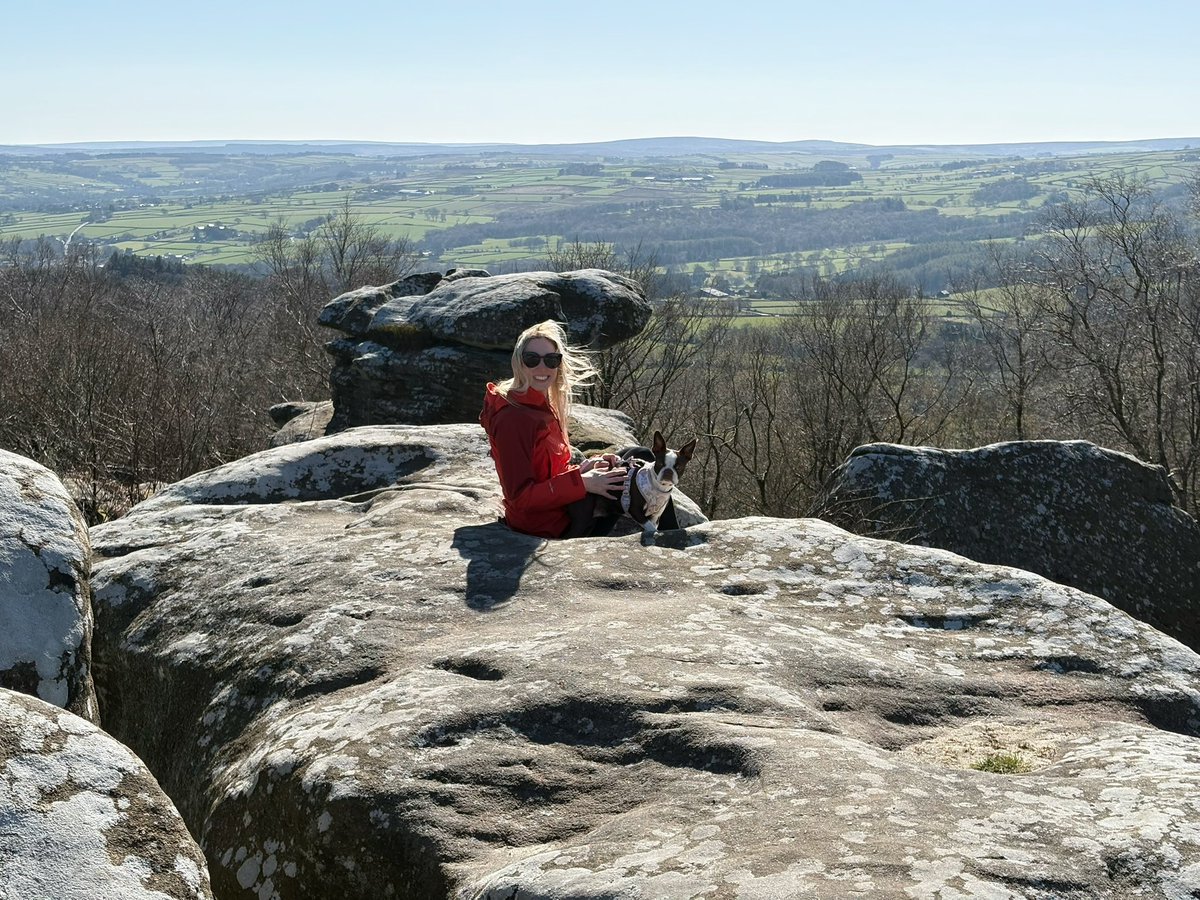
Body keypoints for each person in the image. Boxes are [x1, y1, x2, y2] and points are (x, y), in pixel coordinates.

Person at [479, 320, 627, 539]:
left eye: (551, 360)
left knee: (631, 458)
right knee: (638, 476)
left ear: (559, 364)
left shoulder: (543, 405)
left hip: (563, 509)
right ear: (519, 363)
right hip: (546, 527)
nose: (542, 367)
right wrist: (583, 483)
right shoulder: (512, 418)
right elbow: (521, 498)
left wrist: (584, 469)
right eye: (532, 359)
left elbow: (550, 473)